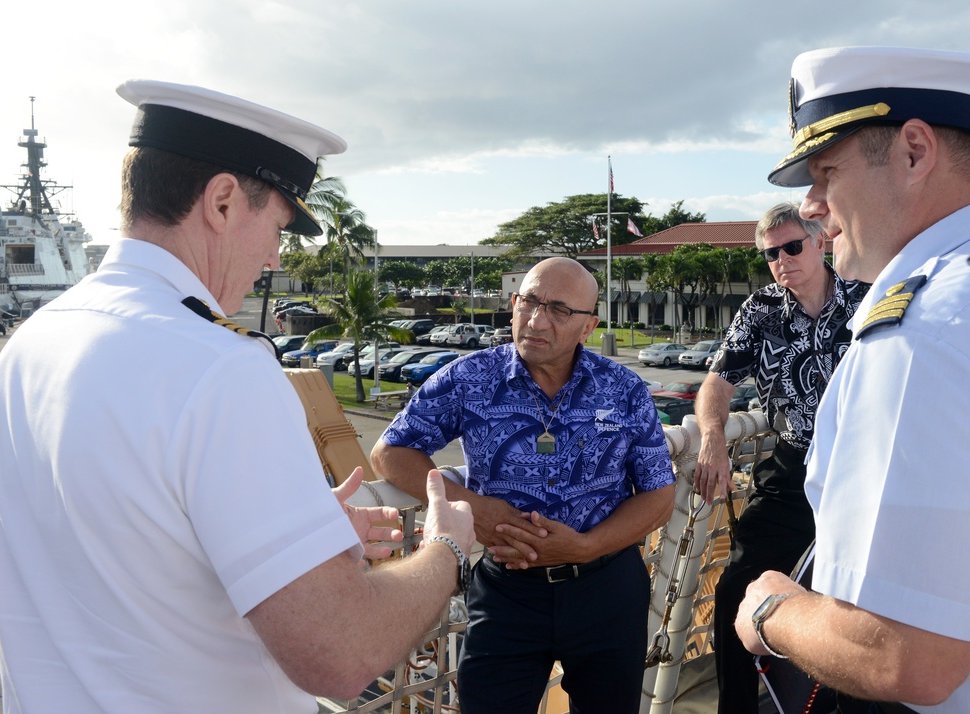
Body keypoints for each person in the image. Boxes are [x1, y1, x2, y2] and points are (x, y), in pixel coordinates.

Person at [0, 80, 475, 713]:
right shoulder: (218, 367)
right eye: (278, 226)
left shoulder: (34, 340)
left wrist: (292, 534)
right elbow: (339, 654)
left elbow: (120, 538)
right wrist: (447, 547)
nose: (273, 256)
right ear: (221, 201)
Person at [734, 46, 970, 712]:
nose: (810, 205)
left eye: (826, 170)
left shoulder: (920, 330)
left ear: (915, 152)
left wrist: (770, 611)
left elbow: (908, 657)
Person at [371, 257, 676, 713]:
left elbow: (659, 493)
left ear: (588, 325)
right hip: (508, 595)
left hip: (606, 590)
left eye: (558, 309)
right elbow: (390, 453)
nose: (536, 320)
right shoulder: (469, 379)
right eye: (528, 302)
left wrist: (585, 546)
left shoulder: (624, 390)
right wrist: (476, 508)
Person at [693, 202, 868, 713]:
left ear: (819, 242)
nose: (782, 260)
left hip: (863, 470)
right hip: (793, 469)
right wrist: (712, 436)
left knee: (854, 591)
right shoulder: (761, 309)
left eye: (792, 247)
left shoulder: (867, 299)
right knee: (736, 588)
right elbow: (716, 383)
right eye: (771, 254)